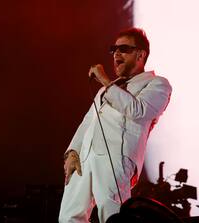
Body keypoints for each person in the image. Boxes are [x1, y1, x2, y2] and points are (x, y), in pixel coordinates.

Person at [58, 28, 172, 223]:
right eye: (114, 49)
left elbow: (139, 111)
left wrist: (104, 80)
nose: (116, 54)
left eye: (124, 49)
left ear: (141, 54)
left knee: (112, 216)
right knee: (68, 217)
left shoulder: (157, 84)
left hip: (116, 157)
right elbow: (87, 121)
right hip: (84, 158)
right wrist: (72, 152)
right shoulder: (106, 89)